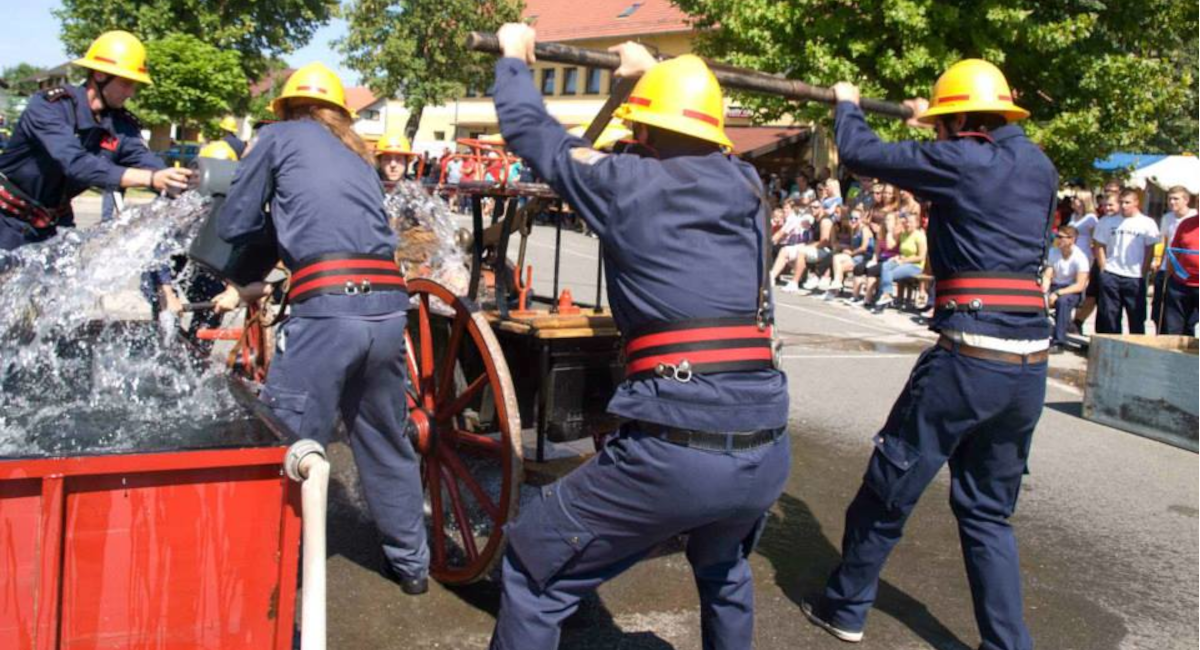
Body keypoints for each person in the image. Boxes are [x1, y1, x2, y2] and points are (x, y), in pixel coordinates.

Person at [487, 24, 790, 650]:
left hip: (679, 449)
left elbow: (535, 136)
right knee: (724, 569)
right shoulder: (748, 188)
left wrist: (515, 58)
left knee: (531, 570)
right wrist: (645, 76)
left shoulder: (626, 183)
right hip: (766, 445)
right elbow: (670, 146)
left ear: (642, 133)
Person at [802, 59, 1057, 650]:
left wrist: (847, 101)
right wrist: (937, 129)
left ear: (963, 119)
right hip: (1028, 365)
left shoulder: (962, 157)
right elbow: (972, 174)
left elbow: (861, 152)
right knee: (989, 515)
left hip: (969, 359)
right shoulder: (1039, 163)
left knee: (889, 488)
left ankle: (844, 607)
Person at [215, 61, 429, 595]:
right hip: (385, 310)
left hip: (327, 311)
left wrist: (248, 262)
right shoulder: (358, 153)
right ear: (340, 112)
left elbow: (237, 222)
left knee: (287, 440)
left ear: (286, 108)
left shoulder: (278, 136)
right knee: (385, 440)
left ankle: (271, 572)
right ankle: (412, 567)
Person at [0, 30, 191, 250]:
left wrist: (185, 183)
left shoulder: (120, 126)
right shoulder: (48, 107)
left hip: (53, 226)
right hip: (6, 221)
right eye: (126, 83)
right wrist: (150, 178)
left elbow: (149, 163)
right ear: (100, 75)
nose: (131, 93)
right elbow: (76, 164)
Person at [1093, 188, 1159, 334]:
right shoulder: (1107, 221)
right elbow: (1099, 245)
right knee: (1110, 316)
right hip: (1112, 273)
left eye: (1127, 202)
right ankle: (1113, 348)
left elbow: (1150, 249)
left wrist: (1143, 270)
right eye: (1121, 202)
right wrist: (1103, 267)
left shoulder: (1147, 223)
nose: (1123, 206)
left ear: (1136, 202)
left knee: (1136, 317)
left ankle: (1136, 350)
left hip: (1134, 276)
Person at [1152, 186, 1197, 331]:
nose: (1171, 202)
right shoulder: (1183, 223)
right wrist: (1167, 274)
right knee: (1171, 324)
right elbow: (1171, 249)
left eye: (1175, 198)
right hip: (1179, 280)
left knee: (1192, 326)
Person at [1042, 225, 1089, 352]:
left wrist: (1057, 293)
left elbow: (1080, 285)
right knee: (1036, 297)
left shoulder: (1080, 258)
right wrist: (1044, 291)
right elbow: (1048, 275)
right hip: (1055, 285)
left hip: (1072, 289)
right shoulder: (1053, 252)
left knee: (1062, 302)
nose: (1057, 239)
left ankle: (1058, 342)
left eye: (1061, 237)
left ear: (1072, 239)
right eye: (1057, 236)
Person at [871, 210, 927, 313]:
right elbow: (894, 248)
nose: (907, 224)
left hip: (915, 266)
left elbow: (921, 256)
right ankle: (886, 295)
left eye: (910, 222)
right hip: (903, 261)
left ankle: (884, 297)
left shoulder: (919, 236)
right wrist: (897, 257)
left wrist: (904, 260)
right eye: (906, 222)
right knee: (886, 266)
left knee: (887, 273)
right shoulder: (904, 234)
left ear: (917, 223)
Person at [1161, 212, 1198, 335]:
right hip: (1180, 283)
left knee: (1192, 328)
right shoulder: (1186, 223)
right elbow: (1174, 252)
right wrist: (1168, 277)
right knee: (1173, 327)